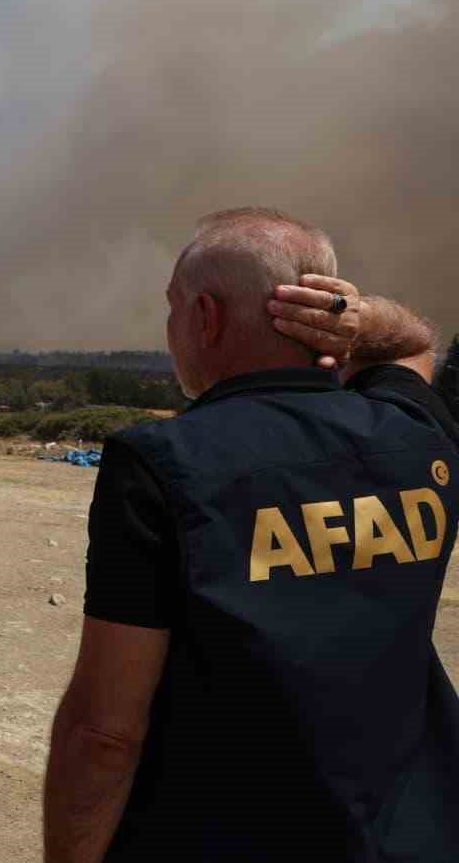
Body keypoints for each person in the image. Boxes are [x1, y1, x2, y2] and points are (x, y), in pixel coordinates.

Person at [45, 208, 459, 862]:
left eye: (173, 307)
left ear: (205, 317)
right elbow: (415, 347)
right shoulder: (413, 437)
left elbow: (104, 733)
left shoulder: (160, 464)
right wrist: (364, 318)